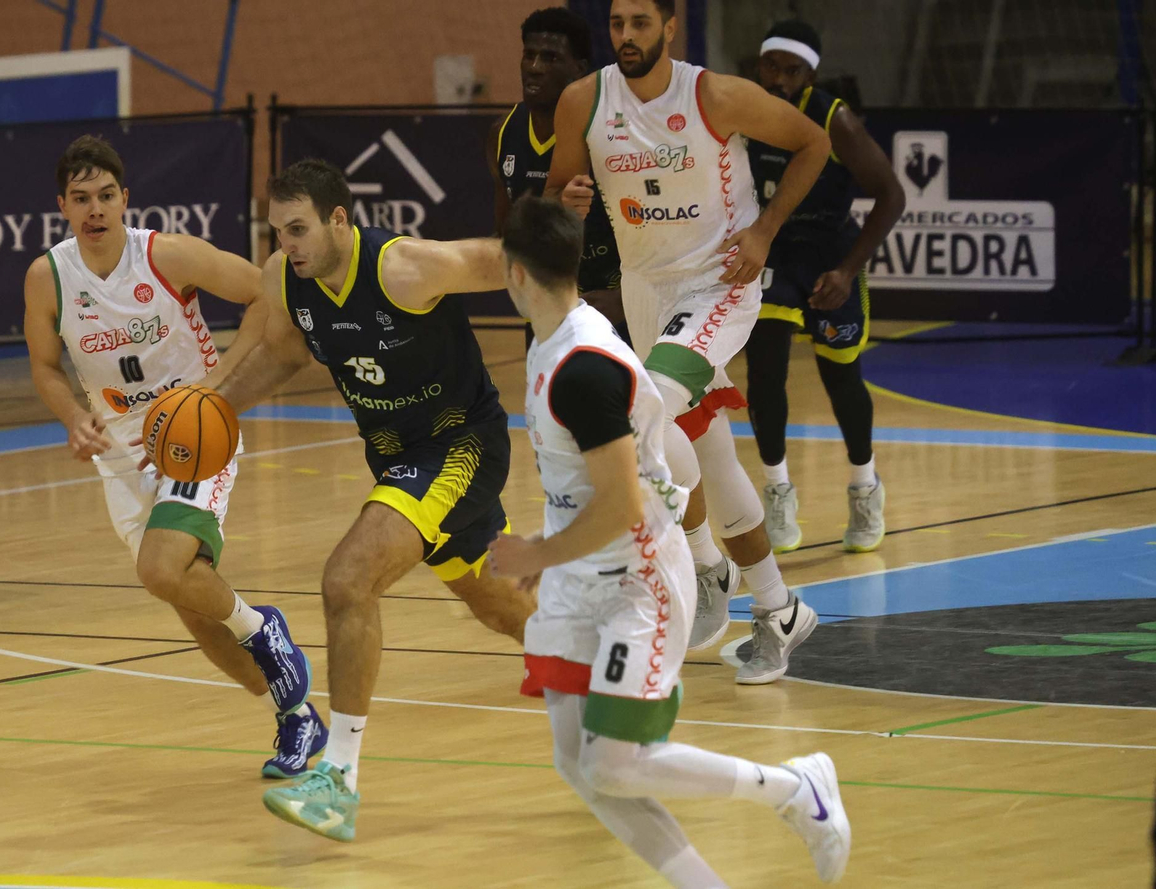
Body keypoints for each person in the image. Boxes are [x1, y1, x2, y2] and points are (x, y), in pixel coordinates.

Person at [490, 193, 850, 887]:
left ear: (515, 274)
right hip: (579, 573)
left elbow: (625, 503)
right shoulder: (551, 335)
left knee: (617, 761)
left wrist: (537, 553)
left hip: (637, 578)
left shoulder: (583, 367)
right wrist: (554, 548)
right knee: (580, 763)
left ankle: (793, 786)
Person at [199, 158, 536, 841]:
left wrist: (583, 265)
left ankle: (340, 780)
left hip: (461, 445)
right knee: (496, 605)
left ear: (340, 220)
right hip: (397, 460)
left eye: (299, 229)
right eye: (278, 231)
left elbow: (509, 261)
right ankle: (592, 650)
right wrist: (213, 407)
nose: (287, 245)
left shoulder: (403, 268)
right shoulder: (286, 281)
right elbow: (286, 353)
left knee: (348, 579)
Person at [545, 0, 829, 684]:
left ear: (671, 26)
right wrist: (568, 199)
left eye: (641, 23)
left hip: (719, 281)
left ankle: (706, 563)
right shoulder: (584, 100)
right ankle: (779, 607)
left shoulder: (716, 95)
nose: (627, 37)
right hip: (647, 289)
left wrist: (764, 233)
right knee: (702, 444)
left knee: (646, 411)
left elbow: (813, 144)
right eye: (617, 24)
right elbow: (554, 192)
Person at [22, 135, 324, 778]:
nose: (95, 209)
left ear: (125, 199)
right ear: (63, 207)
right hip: (121, 449)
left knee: (161, 570)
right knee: (196, 613)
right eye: (82, 199)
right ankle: (295, 713)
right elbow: (45, 367)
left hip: (194, 434)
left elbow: (266, 292)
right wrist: (75, 415)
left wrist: (214, 387)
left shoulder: (165, 254)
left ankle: (266, 629)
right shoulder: (48, 277)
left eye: (106, 196)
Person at [744, 20, 902, 554]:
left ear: (811, 75)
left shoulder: (836, 121)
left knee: (842, 380)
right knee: (765, 375)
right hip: (774, 252)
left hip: (831, 257)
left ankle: (864, 486)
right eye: (772, 66)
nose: (780, 80)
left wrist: (849, 269)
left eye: (794, 71)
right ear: (758, 64)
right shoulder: (738, 109)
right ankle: (777, 491)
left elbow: (891, 196)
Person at [487, 7, 628, 344]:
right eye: (529, 55)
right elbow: (508, 231)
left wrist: (624, 299)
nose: (534, 68)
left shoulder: (611, 137)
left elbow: (652, 229)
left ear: (579, 69)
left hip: (613, 307)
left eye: (550, 58)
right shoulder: (502, 134)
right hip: (546, 306)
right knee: (545, 398)